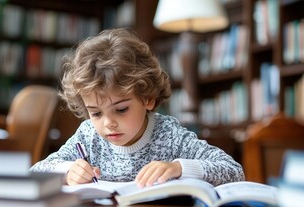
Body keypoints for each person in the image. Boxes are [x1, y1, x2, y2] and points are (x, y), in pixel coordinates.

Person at [30, 28, 245, 187]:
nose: (108, 123)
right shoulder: (88, 136)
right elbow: (35, 172)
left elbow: (234, 171)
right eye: (95, 113)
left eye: (121, 109)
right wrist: (67, 171)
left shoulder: (168, 134)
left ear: (148, 98)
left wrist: (178, 168)